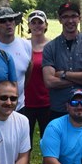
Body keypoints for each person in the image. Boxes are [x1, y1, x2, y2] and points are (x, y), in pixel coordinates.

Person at [42, 1, 82, 119]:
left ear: (79, 18)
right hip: (59, 108)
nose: (70, 21)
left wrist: (64, 74)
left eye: (73, 16)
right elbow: (49, 82)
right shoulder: (50, 47)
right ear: (59, 19)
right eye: (65, 17)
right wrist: (81, 80)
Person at [21, 10, 52, 146]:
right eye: (33, 22)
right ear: (29, 25)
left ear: (46, 25)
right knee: (24, 141)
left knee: (49, 141)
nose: (37, 25)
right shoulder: (22, 46)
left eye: (40, 22)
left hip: (47, 102)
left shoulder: (52, 46)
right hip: (25, 102)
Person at [0, 7, 32, 110]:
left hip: (19, 107)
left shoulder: (26, 46)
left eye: (11, 19)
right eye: (3, 21)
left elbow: (27, 73)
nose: (8, 23)